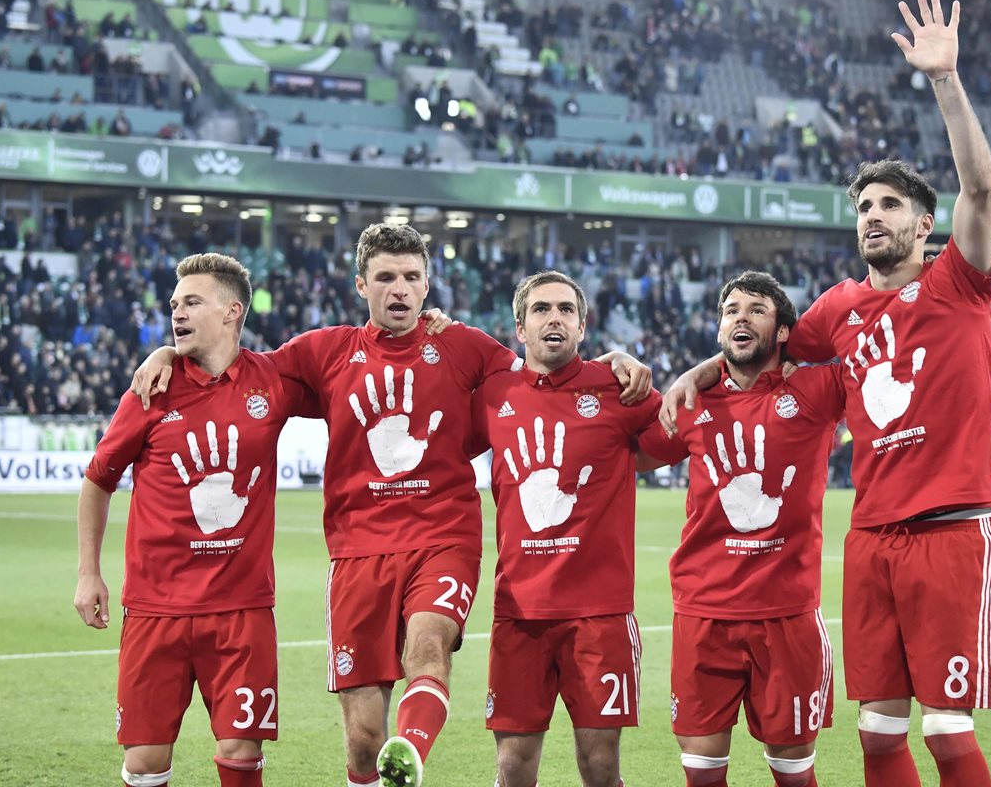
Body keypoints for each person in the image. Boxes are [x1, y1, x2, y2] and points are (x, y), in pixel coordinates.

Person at [132, 225, 650, 787]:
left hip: (443, 538)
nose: (398, 288)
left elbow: (544, 372)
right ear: (362, 284)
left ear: (427, 286)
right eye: (385, 277)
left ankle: (411, 748)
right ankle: (383, 755)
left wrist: (612, 361)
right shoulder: (324, 351)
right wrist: (169, 349)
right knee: (360, 743)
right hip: (358, 552)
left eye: (410, 277)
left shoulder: (466, 346)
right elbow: (234, 365)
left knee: (429, 645)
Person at [661, 0, 991, 786]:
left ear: (926, 225)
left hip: (955, 526)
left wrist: (945, 82)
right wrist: (702, 367)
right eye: (863, 206)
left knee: (947, 728)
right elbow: (762, 346)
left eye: (890, 205)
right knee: (879, 731)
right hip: (872, 537)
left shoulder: (960, 282)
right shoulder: (835, 311)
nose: (873, 216)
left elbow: (981, 193)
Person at [74, 253, 318, 787]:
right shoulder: (150, 391)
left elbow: (353, 369)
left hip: (242, 609)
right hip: (155, 608)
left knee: (240, 752)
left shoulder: (273, 382)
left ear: (232, 312)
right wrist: (88, 572)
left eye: (191, 302)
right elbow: (97, 481)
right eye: (173, 305)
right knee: (144, 763)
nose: (176, 313)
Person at [638, 272, 844, 787]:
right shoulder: (690, 403)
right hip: (704, 612)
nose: (740, 317)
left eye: (756, 309)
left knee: (794, 774)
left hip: (788, 614)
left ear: (781, 332)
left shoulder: (818, 390)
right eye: (730, 310)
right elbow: (624, 454)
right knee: (702, 775)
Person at [471, 271, 660, 787]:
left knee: (600, 767)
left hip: (599, 615)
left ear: (582, 326)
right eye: (540, 309)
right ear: (520, 329)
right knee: (512, 768)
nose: (553, 317)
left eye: (564, 310)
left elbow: (680, 436)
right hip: (519, 612)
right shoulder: (492, 394)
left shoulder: (618, 389)